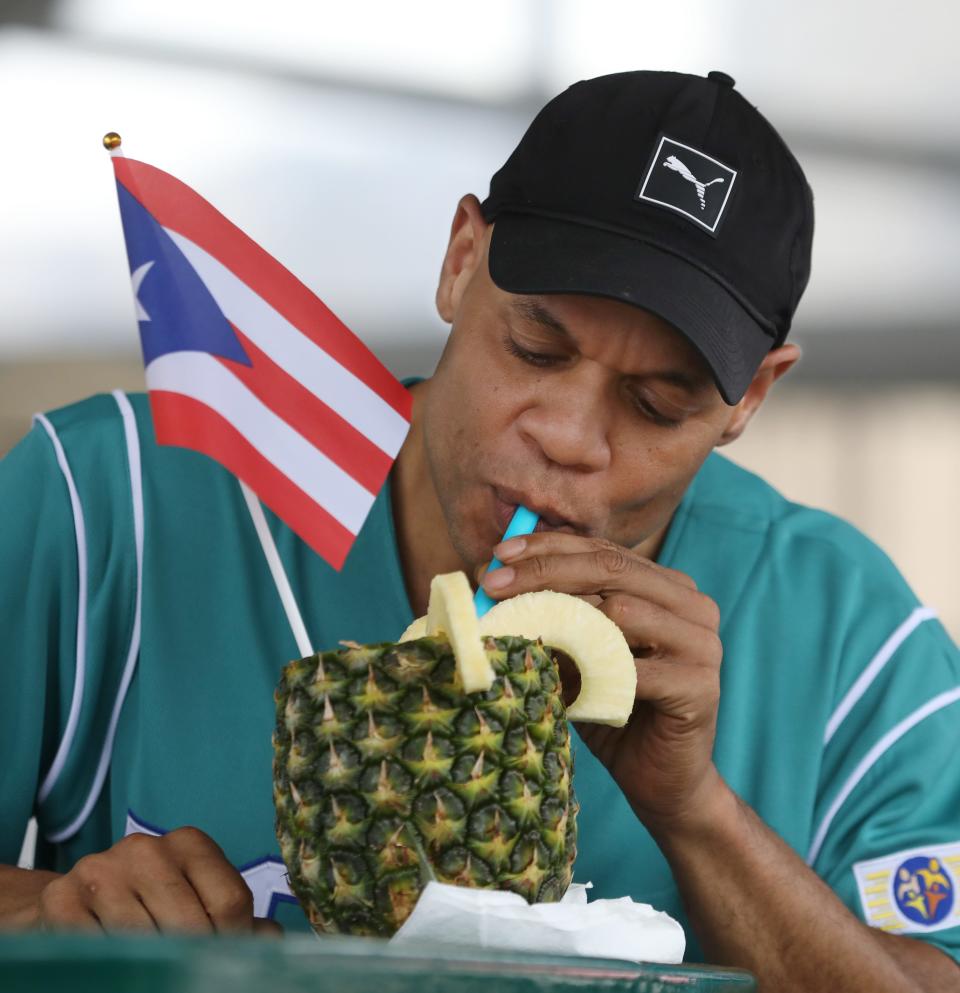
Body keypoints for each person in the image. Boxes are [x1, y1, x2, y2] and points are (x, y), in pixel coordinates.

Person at [1, 69, 958, 990]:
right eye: (536, 347)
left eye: (657, 404)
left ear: (752, 394)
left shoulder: (848, 632)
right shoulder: (105, 501)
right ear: (462, 260)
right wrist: (50, 913)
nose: (569, 436)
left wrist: (698, 813)